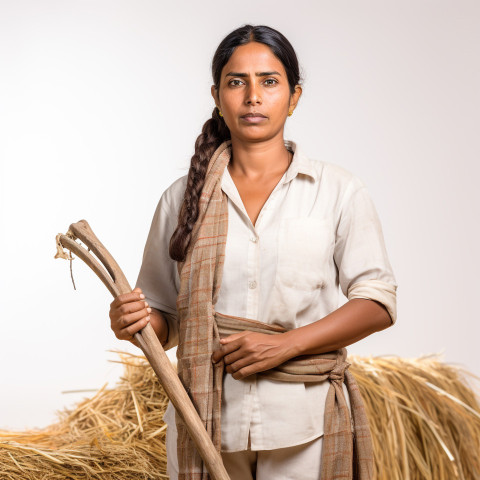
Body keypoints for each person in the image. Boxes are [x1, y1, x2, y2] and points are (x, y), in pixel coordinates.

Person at [109, 24, 397, 480]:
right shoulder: (182, 197)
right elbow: (168, 320)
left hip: (303, 422)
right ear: (218, 95)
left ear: (294, 96)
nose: (252, 97)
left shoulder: (337, 190)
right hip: (202, 419)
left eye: (269, 81)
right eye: (236, 82)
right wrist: (135, 325)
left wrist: (285, 345)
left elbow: (378, 301)